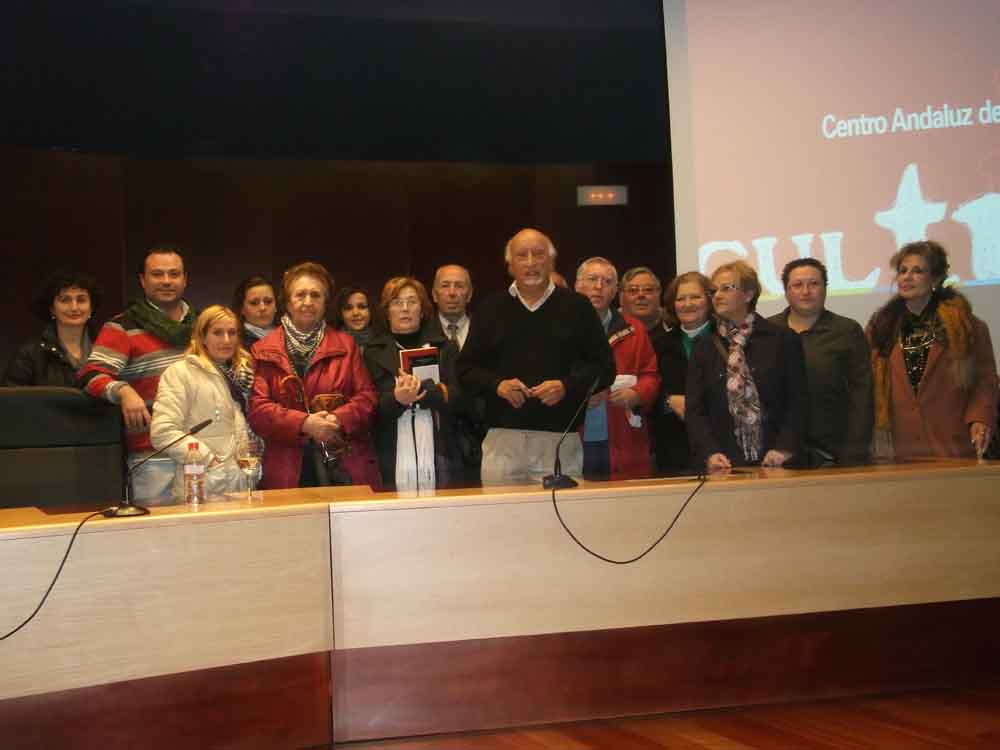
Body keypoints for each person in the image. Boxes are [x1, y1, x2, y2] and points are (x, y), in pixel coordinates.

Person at [456, 228, 615, 485]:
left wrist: (567, 386)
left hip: (559, 442)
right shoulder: (489, 309)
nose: (531, 263)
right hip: (502, 442)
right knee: (501, 523)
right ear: (510, 266)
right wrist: (497, 386)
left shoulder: (578, 308)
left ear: (551, 261)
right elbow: (464, 370)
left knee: (559, 524)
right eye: (522, 255)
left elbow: (605, 368)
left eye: (538, 254)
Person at [249, 261, 380, 489]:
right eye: (300, 295)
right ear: (288, 302)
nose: (307, 302)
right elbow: (259, 410)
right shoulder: (262, 350)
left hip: (343, 464)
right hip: (286, 471)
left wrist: (337, 419)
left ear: (325, 303)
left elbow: (367, 398)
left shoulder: (346, 345)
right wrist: (305, 423)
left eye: (315, 295)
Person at [79, 247, 195, 501]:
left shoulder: (204, 327)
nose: (166, 281)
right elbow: (91, 376)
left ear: (185, 279)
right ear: (143, 280)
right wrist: (123, 391)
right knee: (157, 540)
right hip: (154, 459)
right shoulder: (122, 327)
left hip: (204, 454)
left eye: (173, 274)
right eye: (157, 274)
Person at [866, 240, 997, 459]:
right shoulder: (879, 328)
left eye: (917, 271)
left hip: (952, 441)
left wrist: (980, 418)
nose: (907, 277)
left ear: (935, 279)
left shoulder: (967, 326)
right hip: (899, 446)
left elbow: (985, 379)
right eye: (902, 271)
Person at [686, 260, 807, 471]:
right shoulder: (704, 347)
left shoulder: (782, 339)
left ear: (749, 295)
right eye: (713, 290)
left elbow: (799, 402)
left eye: (726, 288)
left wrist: (784, 448)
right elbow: (695, 410)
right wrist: (710, 453)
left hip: (777, 459)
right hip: (724, 463)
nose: (717, 296)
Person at [770, 258, 873, 466]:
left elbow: (862, 394)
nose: (806, 291)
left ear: (825, 288)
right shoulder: (768, 331)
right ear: (786, 290)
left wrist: (854, 450)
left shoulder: (846, 330)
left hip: (835, 450)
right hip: (777, 451)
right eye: (797, 285)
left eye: (814, 284)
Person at [364, 277, 464, 490]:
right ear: (386, 311)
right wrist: (397, 399)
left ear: (422, 309)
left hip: (441, 449)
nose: (405, 308)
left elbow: (460, 397)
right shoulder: (372, 353)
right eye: (397, 303)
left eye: (412, 301)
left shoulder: (445, 347)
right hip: (391, 450)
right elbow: (369, 407)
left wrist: (423, 392)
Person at [150, 305, 254, 499]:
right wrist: (208, 460)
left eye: (232, 333)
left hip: (240, 485)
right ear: (202, 337)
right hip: (201, 486)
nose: (226, 340)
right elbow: (162, 432)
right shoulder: (181, 373)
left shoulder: (243, 375)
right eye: (217, 333)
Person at [575, 257, 660, 479]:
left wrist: (637, 393)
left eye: (608, 281)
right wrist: (577, 395)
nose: (599, 287)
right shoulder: (560, 327)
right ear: (577, 285)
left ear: (615, 292)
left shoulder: (634, 329)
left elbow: (651, 376)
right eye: (592, 279)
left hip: (622, 438)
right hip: (573, 438)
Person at [651, 271, 714, 474]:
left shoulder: (727, 340)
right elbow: (651, 386)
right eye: (681, 298)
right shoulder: (658, 344)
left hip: (719, 442)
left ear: (710, 300)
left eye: (695, 297)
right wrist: (668, 401)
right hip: (674, 446)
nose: (688, 304)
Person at [4, 270, 103, 387]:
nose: (74, 307)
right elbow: (12, 401)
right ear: (51, 308)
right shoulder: (30, 354)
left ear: (91, 308)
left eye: (81, 300)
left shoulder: (108, 348)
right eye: (65, 300)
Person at [619, 266, 668, 356]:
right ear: (621, 297)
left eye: (648, 289)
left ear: (659, 293)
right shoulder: (610, 327)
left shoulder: (673, 323)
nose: (641, 295)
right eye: (633, 290)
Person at [429, 264, 473, 351]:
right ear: (434, 294)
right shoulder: (423, 333)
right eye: (445, 286)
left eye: (459, 286)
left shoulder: (485, 331)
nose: (452, 293)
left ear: (469, 295)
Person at [232, 275, 277, 349]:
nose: (263, 308)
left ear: (276, 306)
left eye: (268, 301)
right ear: (242, 309)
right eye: (254, 303)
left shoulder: (289, 336)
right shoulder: (235, 342)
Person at [333, 284, 375, 353]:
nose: (355, 313)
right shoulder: (330, 345)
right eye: (348, 308)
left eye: (362, 307)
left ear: (371, 310)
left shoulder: (385, 344)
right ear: (340, 314)